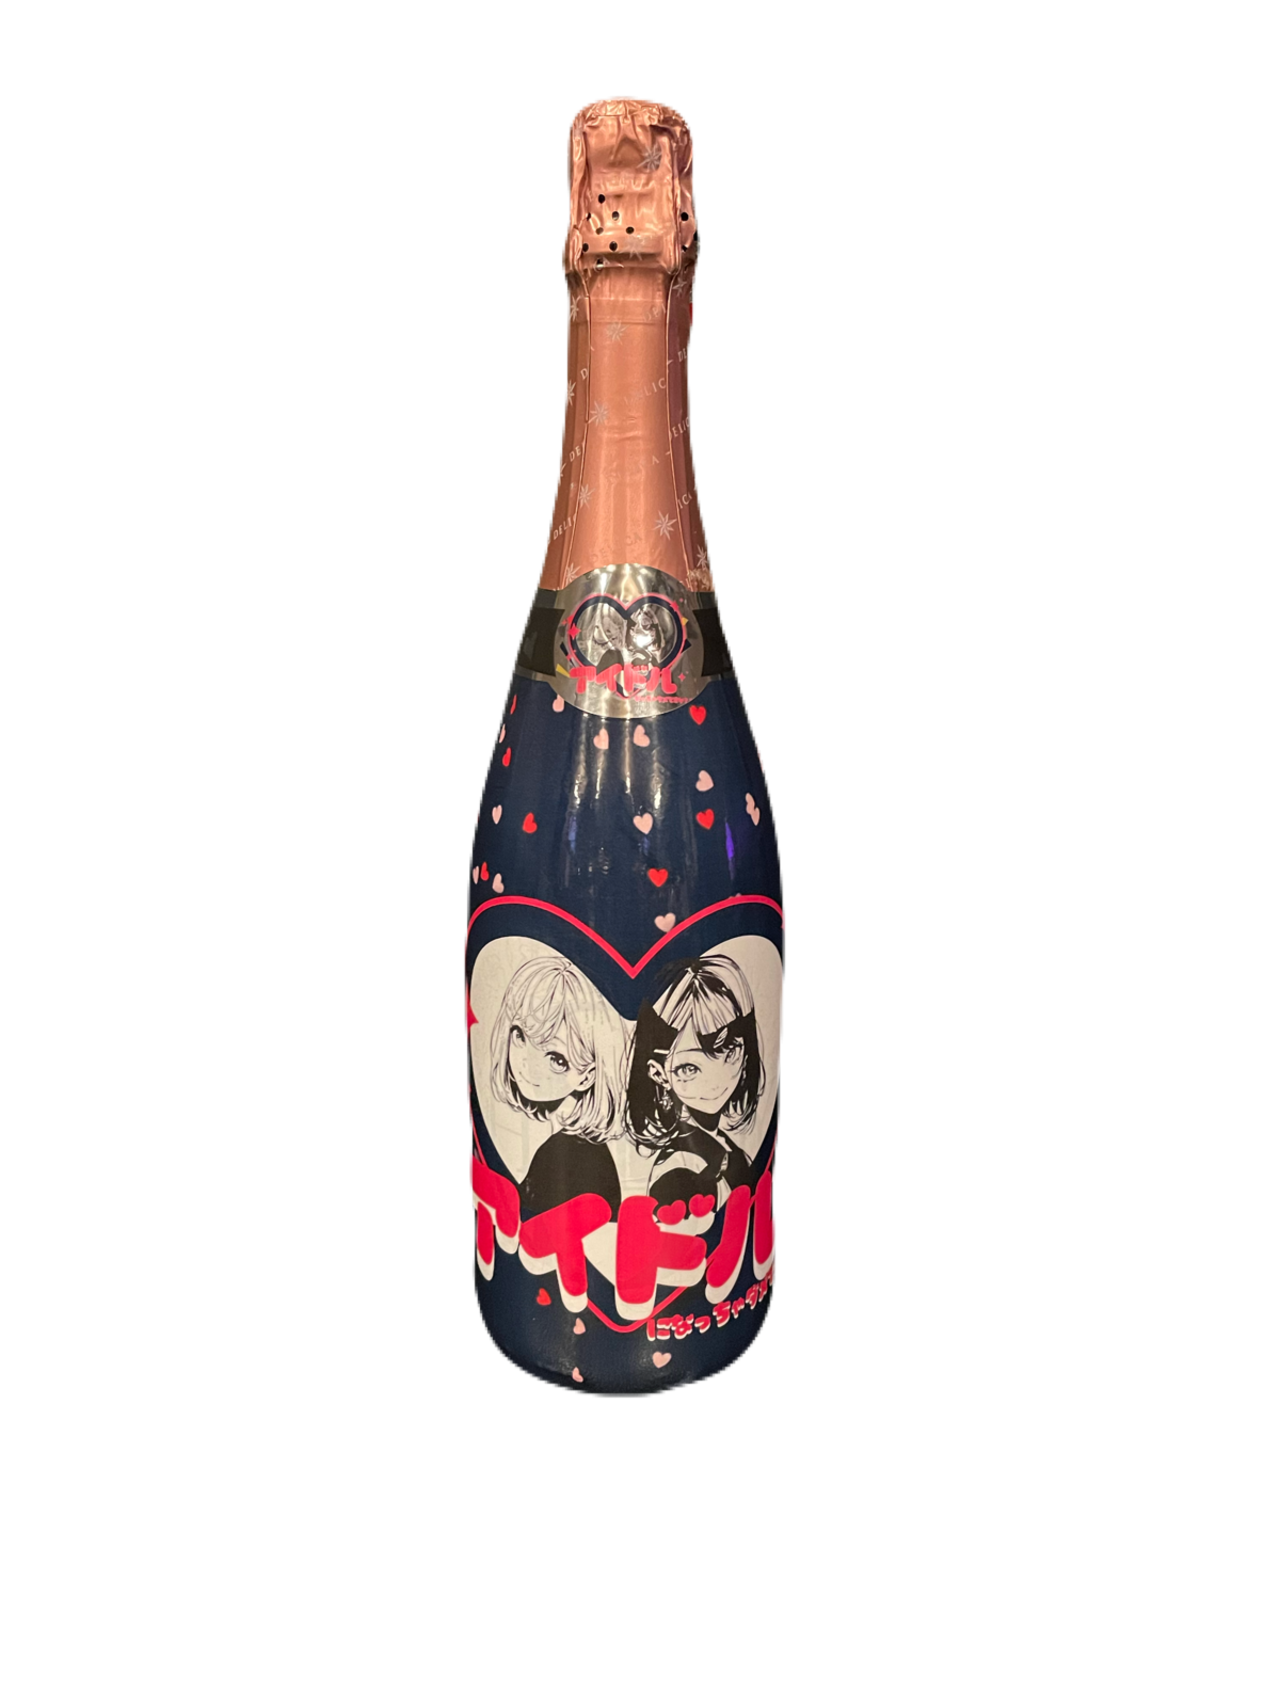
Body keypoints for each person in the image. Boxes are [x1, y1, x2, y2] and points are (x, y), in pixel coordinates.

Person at [625, 955, 764, 1216]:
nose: (716, 1079)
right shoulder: (681, 1169)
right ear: (659, 1074)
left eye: (729, 1050)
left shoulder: (729, 1150)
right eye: (689, 1068)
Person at [489, 956, 627, 1219]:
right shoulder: (558, 1144)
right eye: (520, 1035)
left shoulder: (570, 1155)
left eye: (556, 1059)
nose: (527, 1063)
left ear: (588, 1076)